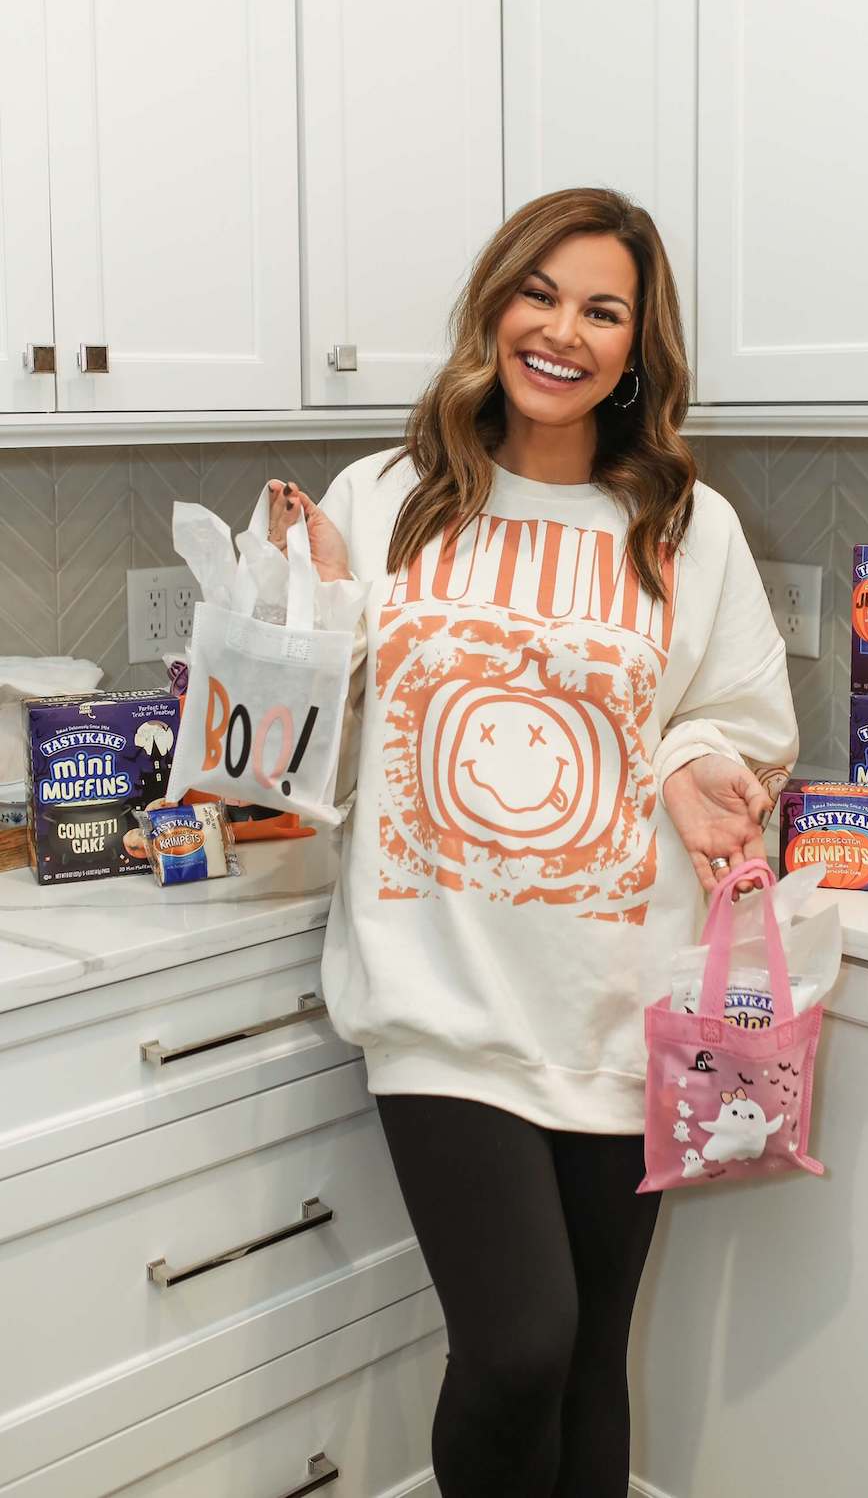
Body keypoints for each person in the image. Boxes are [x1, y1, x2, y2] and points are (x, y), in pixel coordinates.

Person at [264, 186, 798, 1497]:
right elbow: (293, 750)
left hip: (617, 997)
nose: (563, 330)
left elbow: (735, 721)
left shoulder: (687, 527)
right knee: (516, 1347)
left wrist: (687, 766)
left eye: (602, 309)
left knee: (588, 1362)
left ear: (636, 348)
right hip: (434, 990)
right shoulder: (384, 497)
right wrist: (307, 609)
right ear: (495, 307)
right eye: (539, 293)